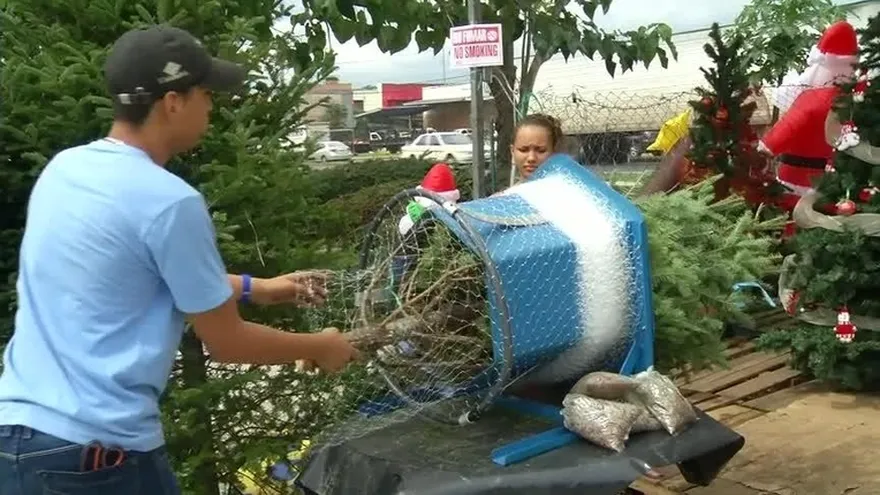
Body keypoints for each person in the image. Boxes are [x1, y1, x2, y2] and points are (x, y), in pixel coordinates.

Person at [0, 25, 358, 494]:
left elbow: (126, 275)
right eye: (206, 93)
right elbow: (227, 343)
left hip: (16, 441)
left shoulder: (65, 170)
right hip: (99, 461)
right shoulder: (169, 202)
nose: (211, 105)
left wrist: (259, 288)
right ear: (173, 102)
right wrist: (319, 346)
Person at [511, 113, 564, 181]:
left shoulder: (569, 189)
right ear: (512, 151)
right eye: (523, 150)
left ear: (555, 152)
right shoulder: (511, 191)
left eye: (541, 151)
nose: (531, 158)